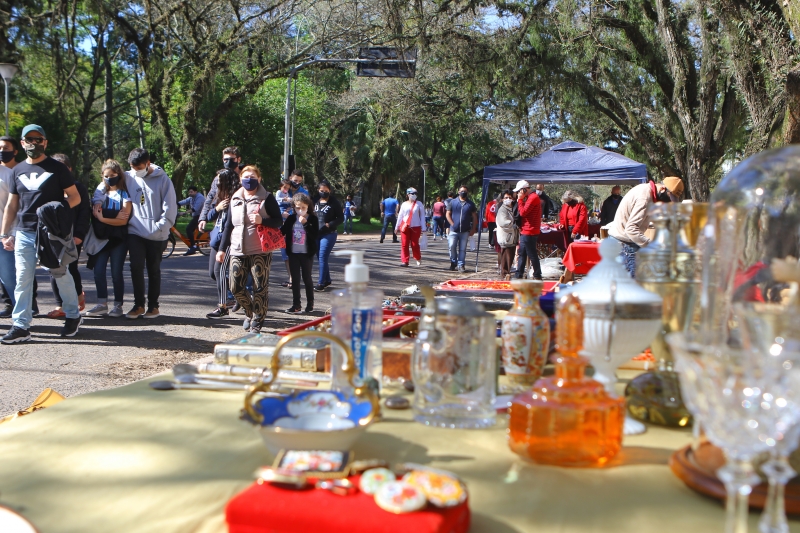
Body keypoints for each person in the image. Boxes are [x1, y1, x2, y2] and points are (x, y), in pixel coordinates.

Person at [1, 124, 83, 342]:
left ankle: (73, 315)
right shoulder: (17, 170)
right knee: (22, 279)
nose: (34, 143)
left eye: (38, 139)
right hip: (24, 232)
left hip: (51, 234)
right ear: (22, 143)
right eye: (29, 139)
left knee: (60, 273)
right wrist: (5, 233)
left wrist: (58, 212)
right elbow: (11, 205)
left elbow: (75, 197)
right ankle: (21, 325)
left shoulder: (57, 168)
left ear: (45, 142)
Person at [216, 165, 282, 333]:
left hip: (260, 249)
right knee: (235, 286)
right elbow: (229, 225)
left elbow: (278, 221)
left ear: (259, 179)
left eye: (252, 177)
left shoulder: (266, 198)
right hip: (238, 248)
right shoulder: (235, 198)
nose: (249, 180)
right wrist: (222, 249)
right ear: (240, 180)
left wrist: (262, 220)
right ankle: (249, 311)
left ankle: (258, 321)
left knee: (260, 286)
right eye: (245, 177)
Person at [119, 148, 177, 319]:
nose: (136, 171)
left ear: (148, 163)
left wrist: (161, 226)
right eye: (133, 167)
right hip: (135, 231)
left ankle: (153, 306)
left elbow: (170, 206)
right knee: (135, 267)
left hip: (157, 234)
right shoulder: (128, 177)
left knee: (153, 269)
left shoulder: (163, 179)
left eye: (139, 167)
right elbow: (109, 185)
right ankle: (138, 305)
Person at [608, 177, 684, 277]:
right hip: (624, 245)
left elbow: (645, 218)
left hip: (623, 243)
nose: (668, 202)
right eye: (669, 198)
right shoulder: (645, 197)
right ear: (662, 189)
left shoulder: (647, 193)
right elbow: (631, 229)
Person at [85, 159, 131, 317]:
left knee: (116, 272)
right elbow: (95, 213)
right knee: (98, 271)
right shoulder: (99, 194)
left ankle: (118, 305)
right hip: (102, 237)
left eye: (113, 175)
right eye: (106, 175)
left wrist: (103, 217)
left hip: (119, 238)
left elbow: (123, 219)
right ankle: (101, 303)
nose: (109, 178)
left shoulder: (125, 193)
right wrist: (110, 216)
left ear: (119, 175)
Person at [46, 153, 90, 318]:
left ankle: (77, 297)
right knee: (53, 269)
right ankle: (61, 305)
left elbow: (85, 213)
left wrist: (79, 234)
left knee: (71, 268)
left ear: (69, 169)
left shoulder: (78, 188)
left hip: (73, 237)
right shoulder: (49, 188)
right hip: (52, 237)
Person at [205, 169, 240, 318]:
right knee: (213, 273)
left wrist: (223, 247)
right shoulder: (219, 197)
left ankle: (222, 307)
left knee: (219, 271)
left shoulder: (236, 198)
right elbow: (208, 215)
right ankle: (240, 294)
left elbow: (230, 225)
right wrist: (217, 208)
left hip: (227, 241)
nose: (217, 183)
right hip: (216, 238)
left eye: (219, 180)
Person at [281, 193, 318, 314]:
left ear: (308, 206)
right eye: (297, 207)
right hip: (293, 253)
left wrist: (306, 224)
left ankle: (310, 303)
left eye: (303, 207)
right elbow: (282, 232)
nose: (300, 210)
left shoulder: (313, 219)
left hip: (307, 253)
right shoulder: (291, 219)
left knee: (307, 277)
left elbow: (315, 236)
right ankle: (296, 305)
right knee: (295, 279)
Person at [199, 146, 241, 231]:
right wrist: (203, 218)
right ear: (222, 159)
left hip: (239, 220)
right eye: (226, 159)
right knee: (215, 243)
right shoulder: (218, 178)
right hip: (221, 219)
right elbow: (210, 197)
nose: (228, 162)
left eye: (232, 159)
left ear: (238, 159)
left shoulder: (245, 176)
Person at [0, 136, 19, 318]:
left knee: (9, 278)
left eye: (5, 147)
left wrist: (10, 233)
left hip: (6, 235)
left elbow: (15, 207)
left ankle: (21, 313)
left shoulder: (10, 174)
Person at [314, 180, 343, 291]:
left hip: (329, 233)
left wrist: (330, 224)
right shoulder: (315, 200)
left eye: (326, 191)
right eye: (322, 190)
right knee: (320, 258)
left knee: (322, 257)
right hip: (316, 233)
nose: (324, 193)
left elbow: (340, 218)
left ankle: (321, 283)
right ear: (318, 190)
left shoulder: (334, 202)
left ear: (329, 191)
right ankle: (327, 279)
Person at [513, 180, 543, 280]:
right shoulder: (529, 197)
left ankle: (537, 274)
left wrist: (520, 200)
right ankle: (519, 273)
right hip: (526, 230)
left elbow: (523, 212)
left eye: (519, 191)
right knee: (522, 253)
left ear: (524, 189)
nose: (518, 194)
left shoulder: (533, 198)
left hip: (530, 230)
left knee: (531, 253)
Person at [446, 185, 477, 273]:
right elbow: (447, 214)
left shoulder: (470, 204)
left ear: (467, 192)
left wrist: (473, 228)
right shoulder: (453, 202)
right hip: (453, 230)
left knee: (462, 249)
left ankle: (461, 264)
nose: (463, 192)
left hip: (465, 230)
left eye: (465, 191)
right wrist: (452, 223)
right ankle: (453, 262)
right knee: (451, 246)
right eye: (461, 191)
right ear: (458, 192)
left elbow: (474, 216)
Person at [397, 187, 425, 267]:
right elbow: (400, 216)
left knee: (414, 244)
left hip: (416, 227)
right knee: (404, 244)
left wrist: (424, 228)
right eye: (412, 194)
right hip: (405, 227)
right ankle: (405, 261)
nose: (414, 195)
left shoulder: (419, 204)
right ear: (408, 194)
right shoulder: (404, 204)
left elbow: (422, 216)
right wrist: (396, 227)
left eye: (416, 194)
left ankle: (417, 257)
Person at [494, 189, 519, 280]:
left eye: (510, 197)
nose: (508, 199)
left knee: (510, 257)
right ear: (502, 199)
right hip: (506, 237)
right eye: (506, 197)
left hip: (511, 237)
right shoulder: (502, 210)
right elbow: (503, 222)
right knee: (506, 257)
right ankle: (504, 275)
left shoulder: (511, 208)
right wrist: (514, 225)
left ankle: (507, 274)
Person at [276, 178, 294, 287]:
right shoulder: (279, 193)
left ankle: (292, 279)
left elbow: (293, 202)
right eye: (284, 187)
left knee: (291, 253)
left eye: (287, 188)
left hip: (290, 224)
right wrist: (286, 200)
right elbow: (278, 201)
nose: (285, 189)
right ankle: (290, 278)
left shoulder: (290, 194)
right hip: (282, 224)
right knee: (285, 254)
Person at [177, 185, 205, 255]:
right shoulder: (191, 197)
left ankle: (193, 247)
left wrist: (183, 213)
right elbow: (184, 201)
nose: (190, 193)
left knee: (188, 229)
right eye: (189, 192)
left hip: (201, 216)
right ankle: (193, 244)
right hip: (196, 216)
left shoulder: (200, 197)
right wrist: (176, 204)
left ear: (195, 191)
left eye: (191, 192)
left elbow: (195, 209)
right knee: (190, 231)